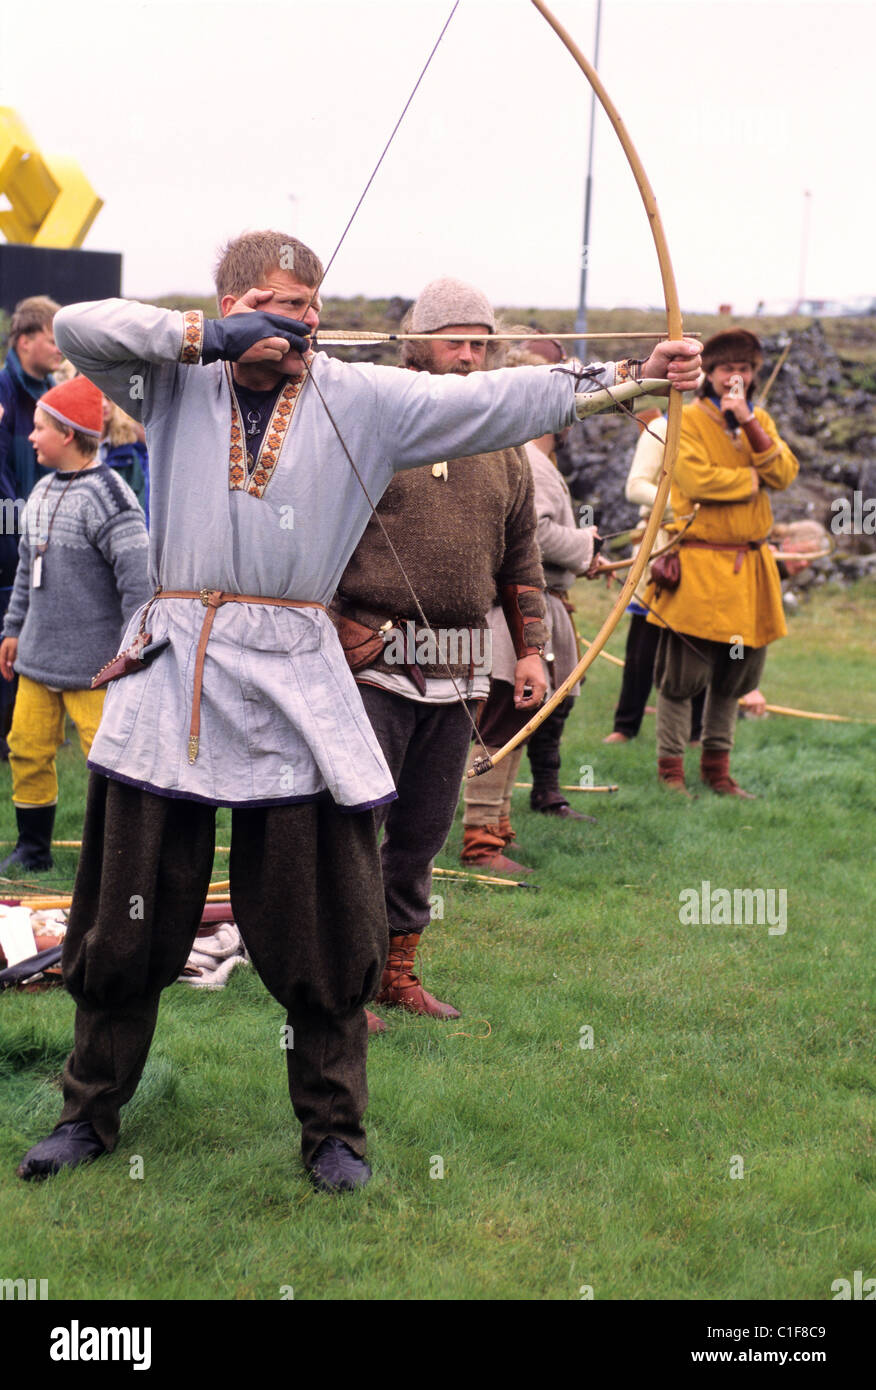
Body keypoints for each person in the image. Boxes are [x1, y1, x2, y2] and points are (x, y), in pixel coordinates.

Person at [16, 230, 701, 1191]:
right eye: (275, 301)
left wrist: (636, 372)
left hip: (294, 673)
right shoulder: (172, 383)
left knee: (322, 923)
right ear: (228, 307)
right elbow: (80, 330)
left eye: (309, 305)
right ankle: (89, 1113)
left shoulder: (361, 397)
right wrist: (205, 338)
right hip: (173, 671)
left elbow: (489, 399)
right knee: (124, 919)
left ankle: (333, 1133)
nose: (299, 320)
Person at [331, 279, 552, 1026]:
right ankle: (343, 983)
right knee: (355, 823)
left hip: (458, 661)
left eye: (480, 341)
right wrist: (328, 623)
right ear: (417, 344)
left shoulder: (506, 447)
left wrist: (531, 652)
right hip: (371, 657)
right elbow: (318, 541)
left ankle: (397, 973)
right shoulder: (374, 426)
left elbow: (522, 559)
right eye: (455, 338)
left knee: (422, 831)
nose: (469, 353)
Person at [0, 375, 151, 872]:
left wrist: (132, 654)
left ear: (66, 434)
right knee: (25, 750)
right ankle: (33, 850)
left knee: (107, 765)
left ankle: (114, 859)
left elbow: (138, 584)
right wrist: (13, 629)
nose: (30, 436)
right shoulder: (40, 489)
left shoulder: (112, 499)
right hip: (37, 661)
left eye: (39, 427)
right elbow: (26, 568)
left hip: (95, 668)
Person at [644, 330, 797, 797]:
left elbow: (785, 473)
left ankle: (717, 770)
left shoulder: (760, 420)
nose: (738, 377)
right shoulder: (686, 420)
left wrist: (748, 422)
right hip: (700, 565)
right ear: (709, 374)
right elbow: (694, 478)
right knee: (683, 677)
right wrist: (749, 481)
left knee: (736, 673)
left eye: (746, 369)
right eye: (728, 368)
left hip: (749, 571)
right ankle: (671, 771)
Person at [603, 408, 704, 746]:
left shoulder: (712, 430)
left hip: (703, 546)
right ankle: (626, 725)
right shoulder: (660, 427)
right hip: (661, 544)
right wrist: (685, 505)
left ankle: (695, 731)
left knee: (697, 638)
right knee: (645, 639)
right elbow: (636, 487)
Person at [0, 297, 63, 749]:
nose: (61, 347)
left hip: (40, 534)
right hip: (10, 537)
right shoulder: (4, 390)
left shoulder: (52, 395)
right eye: (52, 337)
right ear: (25, 341)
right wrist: (18, 531)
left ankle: (27, 734)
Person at [99, 396, 150, 520]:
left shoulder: (127, 452)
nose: (104, 404)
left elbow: (140, 501)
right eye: (97, 398)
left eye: (108, 398)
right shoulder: (71, 449)